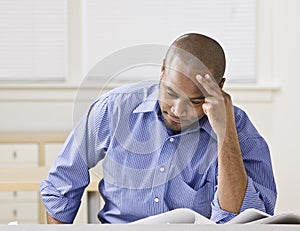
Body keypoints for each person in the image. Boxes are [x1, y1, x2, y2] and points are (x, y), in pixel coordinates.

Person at [40, 33, 277, 224]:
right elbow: (60, 188)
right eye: (171, 93)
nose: (177, 110)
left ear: (219, 88)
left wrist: (225, 133)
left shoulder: (240, 132)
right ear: (162, 71)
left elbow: (245, 221)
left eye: (194, 101)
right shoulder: (114, 109)